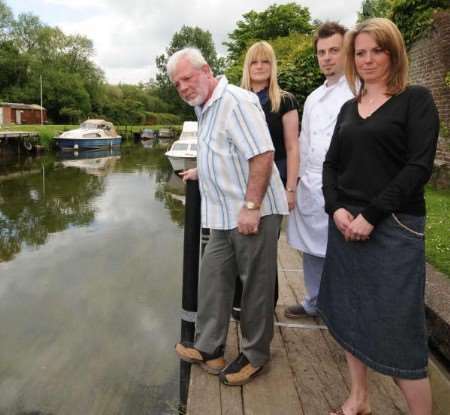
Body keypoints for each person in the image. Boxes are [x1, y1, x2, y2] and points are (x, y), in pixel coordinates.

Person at [319, 18, 439, 415]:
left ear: (394, 52)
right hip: (344, 225)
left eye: (377, 50)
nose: (368, 59)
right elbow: (331, 165)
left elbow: (418, 167)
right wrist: (335, 207)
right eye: (360, 52)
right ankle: (359, 399)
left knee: (398, 328)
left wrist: (370, 215)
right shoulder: (348, 109)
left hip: (393, 228)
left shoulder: (416, 100)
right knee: (351, 314)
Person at [167, 48, 289, 386]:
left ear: (206, 70)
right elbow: (224, 153)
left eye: (187, 78)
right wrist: (200, 172)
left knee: (255, 287)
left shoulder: (236, 101)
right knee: (213, 279)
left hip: (253, 212)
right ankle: (210, 348)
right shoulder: (204, 107)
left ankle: (255, 355)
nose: (184, 87)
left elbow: (263, 155)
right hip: (221, 215)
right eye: (177, 84)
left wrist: (251, 207)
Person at [285, 22, 353, 318]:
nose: (326, 57)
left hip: (345, 184)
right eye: (321, 52)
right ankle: (314, 301)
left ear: (346, 51)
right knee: (311, 250)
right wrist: (295, 182)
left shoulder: (358, 90)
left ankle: (342, 311)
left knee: (343, 252)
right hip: (311, 183)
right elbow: (303, 141)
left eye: (334, 50)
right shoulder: (312, 98)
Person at [232, 41, 299, 319]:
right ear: (247, 67)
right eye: (254, 62)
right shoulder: (236, 98)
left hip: (272, 183)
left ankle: (264, 308)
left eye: (265, 62)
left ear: (273, 66)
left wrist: (291, 188)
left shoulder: (284, 100)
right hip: (239, 182)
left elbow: (293, 146)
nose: (259, 67)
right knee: (237, 246)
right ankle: (238, 303)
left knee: (265, 251)